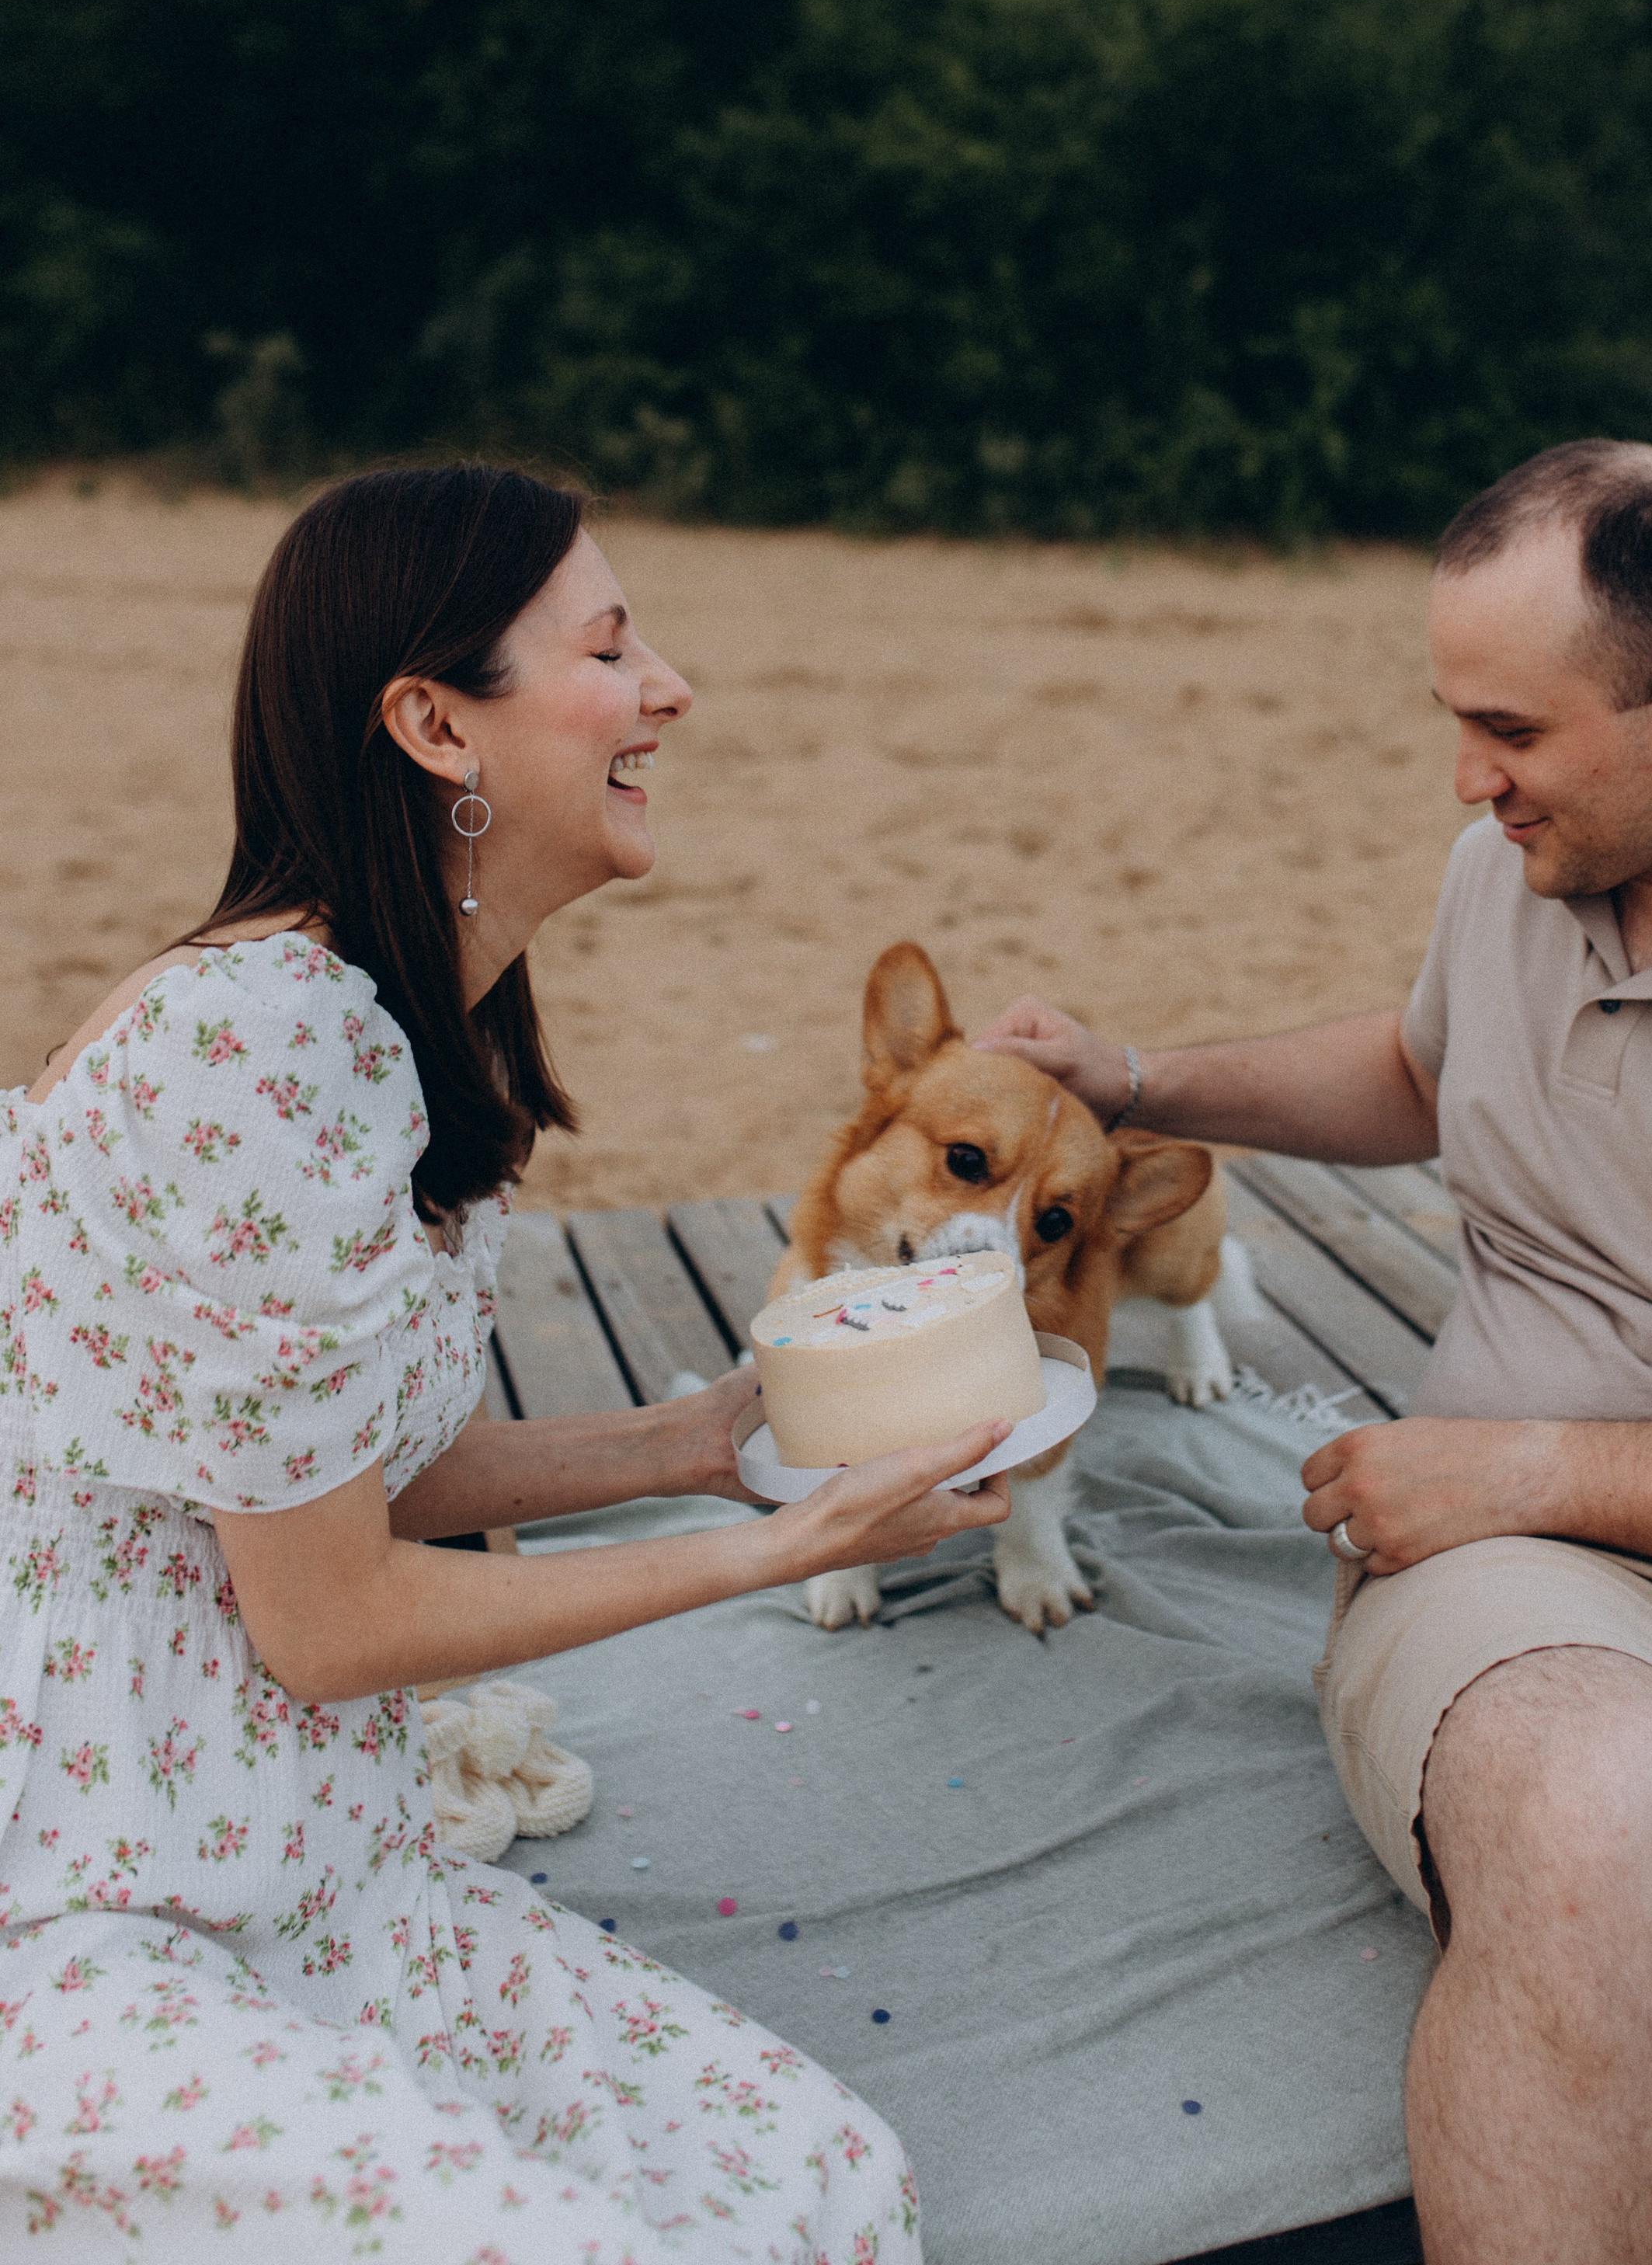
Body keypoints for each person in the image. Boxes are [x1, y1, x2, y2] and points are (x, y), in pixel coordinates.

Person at [975, 440, 1652, 2265]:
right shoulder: (1503, 875)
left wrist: (1529, 1460)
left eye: (1508, 729)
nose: (1469, 780)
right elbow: (1427, 1077)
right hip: (1524, 1601)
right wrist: (1137, 1077)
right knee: (1595, 1816)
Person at [2, 463, 1010, 2259]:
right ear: (431, 725)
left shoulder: (409, 1027)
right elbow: (329, 1623)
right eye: (612, 648)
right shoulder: (260, 1043)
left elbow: (360, 1480)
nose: (671, 691)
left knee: (823, 2190)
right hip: (81, 1876)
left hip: (313, 1847)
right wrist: (774, 1551)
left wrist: (706, 1442)